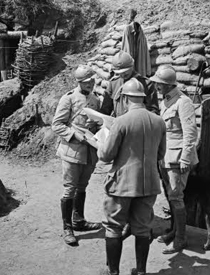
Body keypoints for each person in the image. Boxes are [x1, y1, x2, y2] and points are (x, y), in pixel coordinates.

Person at [98, 78, 166, 275]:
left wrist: (100, 143)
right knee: (143, 228)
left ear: (126, 98)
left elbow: (106, 155)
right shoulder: (158, 121)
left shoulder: (121, 122)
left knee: (113, 227)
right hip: (148, 184)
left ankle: (113, 272)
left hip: (122, 184)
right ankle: (142, 271)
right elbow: (160, 154)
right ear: (143, 98)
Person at [52, 64, 103, 246]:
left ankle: (79, 221)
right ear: (79, 82)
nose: (90, 83)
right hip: (72, 151)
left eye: (92, 80)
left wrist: (96, 125)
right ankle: (68, 228)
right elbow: (57, 124)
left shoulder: (96, 100)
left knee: (82, 186)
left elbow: (98, 124)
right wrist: (75, 135)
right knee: (70, 189)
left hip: (89, 151)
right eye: (86, 81)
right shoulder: (69, 99)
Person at [150, 65, 199, 254]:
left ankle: (181, 238)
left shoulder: (183, 102)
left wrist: (186, 158)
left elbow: (190, 133)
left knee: (176, 197)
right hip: (165, 156)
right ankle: (173, 230)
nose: (156, 87)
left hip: (178, 159)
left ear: (169, 85)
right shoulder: (166, 101)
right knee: (169, 195)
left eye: (160, 84)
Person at [100, 51, 159, 117]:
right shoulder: (113, 84)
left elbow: (153, 111)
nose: (123, 74)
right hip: (119, 124)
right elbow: (105, 110)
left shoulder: (146, 84)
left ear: (132, 66)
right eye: (119, 72)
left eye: (125, 71)